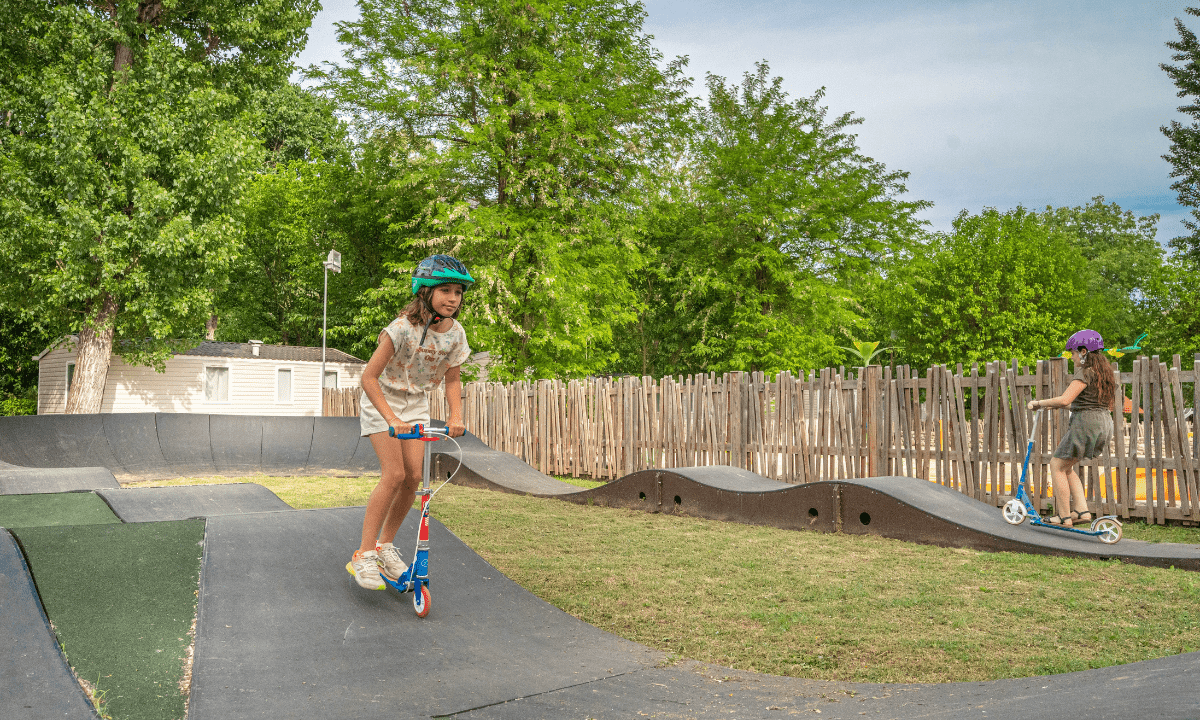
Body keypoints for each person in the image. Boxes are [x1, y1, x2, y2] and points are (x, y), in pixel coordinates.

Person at [347, 254, 473, 589]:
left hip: (416, 401)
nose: (453, 298)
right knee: (395, 473)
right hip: (382, 399)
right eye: (445, 290)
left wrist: (455, 415)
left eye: (458, 292)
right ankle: (364, 555)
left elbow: (452, 379)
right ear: (425, 291)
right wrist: (390, 418)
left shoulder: (455, 334)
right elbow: (368, 378)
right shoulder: (401, 329)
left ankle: (384, 546)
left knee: (415, 477)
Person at [1025, 329, 1116, 527]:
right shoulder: (1103, 373)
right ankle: (1082, 511)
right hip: (1103, 423)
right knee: (1067, 467)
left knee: (1056, 465)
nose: (1072, 356)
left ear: (1084, 352)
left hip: (1086, 424)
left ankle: (1064, 516)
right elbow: (1075, 403)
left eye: (1074, 353)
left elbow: (1065, 398)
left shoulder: (1085, 372)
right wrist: (1049, 405)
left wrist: (1038, 402)